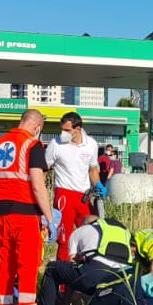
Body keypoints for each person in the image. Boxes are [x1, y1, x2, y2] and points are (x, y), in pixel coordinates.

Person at [0, 109, 55, 305]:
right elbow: (37, 185)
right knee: (27, 267)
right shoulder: (32, 146)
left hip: (1, 213)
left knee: (5, 266)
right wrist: (49, 219)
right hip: (25, 214)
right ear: (37, 127)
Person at [44, 112, 102, 261]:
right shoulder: (56, 144)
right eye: (62, 129)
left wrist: (98, 184)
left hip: (84, 196)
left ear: (78, 128)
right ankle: (62, 281)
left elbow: (93, 169)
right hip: (64, 194)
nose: (64, 133)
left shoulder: (91, 144)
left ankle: (84, 276)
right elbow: (44, 170)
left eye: (67, 130)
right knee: (65, 239)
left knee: (91, 234)